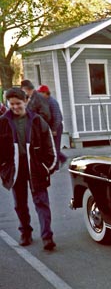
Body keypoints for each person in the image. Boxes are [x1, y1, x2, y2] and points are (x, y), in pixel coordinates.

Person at [0, 88, 57, 250]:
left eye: (18, 103)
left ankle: (47, 237)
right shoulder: (3, 122)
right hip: (15, 171)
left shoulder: (37, 121)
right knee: (20, 204)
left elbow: (49, 146)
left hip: (36, 170)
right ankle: (25, 232)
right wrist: (3, 169)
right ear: (8, 103)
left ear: (25, 101)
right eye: (12, 104)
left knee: (42, 203)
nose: (15, 107)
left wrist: (47, 168)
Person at [38, 85, 67, 169]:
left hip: (56, 127)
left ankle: (56, 166)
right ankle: (62, 158)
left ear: (45, 93)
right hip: (50, 127)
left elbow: (57, 116)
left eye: (40, 93)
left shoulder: (52, 102)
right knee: (51, 146)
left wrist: (54, 129)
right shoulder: (44, 101)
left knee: (55, 147)